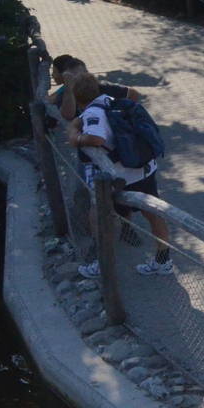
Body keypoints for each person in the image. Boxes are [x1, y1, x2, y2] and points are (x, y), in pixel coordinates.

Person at [64, 71, 174, 277]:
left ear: (77, 98)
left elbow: (96, 139)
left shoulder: (92, 114)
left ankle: (101, 263)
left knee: (96, 214)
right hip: (145, 169)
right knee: (153, 214)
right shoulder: (109, 100)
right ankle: (163, 260)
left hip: (122, 177)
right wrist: (78, 123)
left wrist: (75, 137)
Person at [50, 55, 140, 123]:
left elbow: (133, 93)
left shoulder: (102, 87)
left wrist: (125, 116)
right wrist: (69, 89)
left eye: (85, 75)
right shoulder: (66, 95)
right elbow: (68, 115)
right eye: (76, 78)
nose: (83, 80)